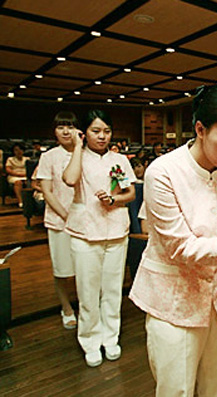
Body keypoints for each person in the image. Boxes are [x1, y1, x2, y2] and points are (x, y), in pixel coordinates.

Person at [129, 85, 217, 396]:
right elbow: (180, 247)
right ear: (201, 129)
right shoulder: (163, 173)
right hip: (174, 298)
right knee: (177, 389)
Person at [63, 109, 136, 368]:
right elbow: (70, 179)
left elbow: (129, 193)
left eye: (106, 131)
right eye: (96, 131)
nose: (102, 136)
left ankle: (110, 337)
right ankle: (90, 341)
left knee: (113, 289)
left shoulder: (119, 159)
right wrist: (77, 146)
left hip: (116, 229)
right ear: (85, 132)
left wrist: (114, 199)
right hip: (85, 233)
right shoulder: (78, 157)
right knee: (88, 291)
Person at [35, 111, 79, 330]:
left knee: (84, 269)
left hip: (84, 222)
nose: (65, 131)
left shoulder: (85, 153)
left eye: (70, 126)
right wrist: (65, 215)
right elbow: (47, 191)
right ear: (55, 131)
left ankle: (86, 306)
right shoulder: (49, 156)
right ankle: (66, 308)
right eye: (61, 127)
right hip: (59, 221)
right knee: (62, 269)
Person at [5, 143, 29, 208]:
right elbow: (8, 170)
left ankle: (30, 202)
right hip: (14, 176)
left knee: (30, 182)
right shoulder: (10, 159)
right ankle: (20, 201)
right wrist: (18, 174)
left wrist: (25, 174)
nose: (19, 152)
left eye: (20, 150)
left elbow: (31, 169)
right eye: (16, 150)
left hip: (25, 175)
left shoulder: (27, 159)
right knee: (18, 183)